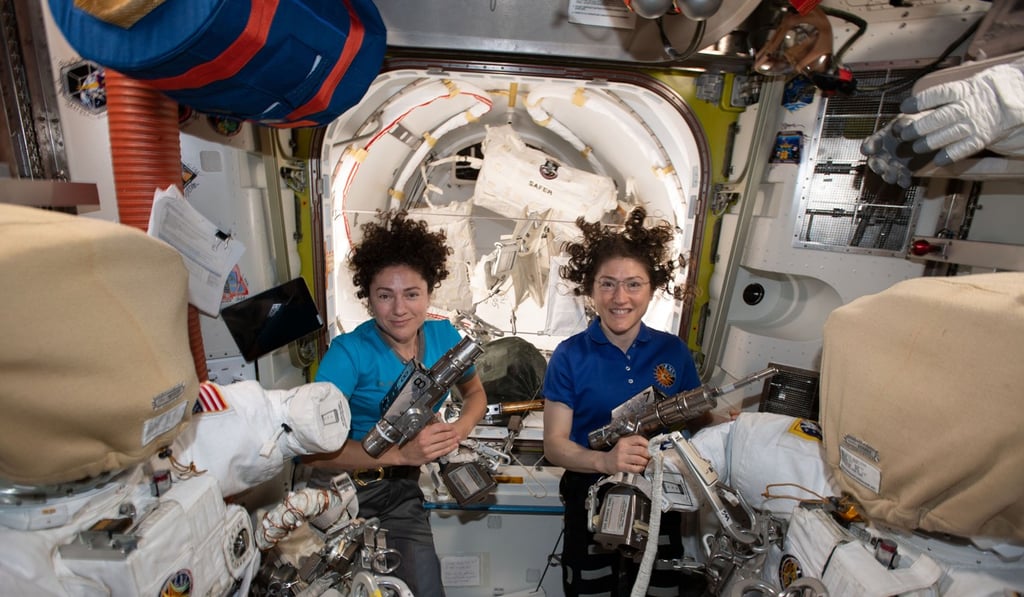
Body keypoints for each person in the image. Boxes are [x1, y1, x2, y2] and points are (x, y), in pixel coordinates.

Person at [303, 209, 487, 597]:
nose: (399, 309)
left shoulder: (443, 337)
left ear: (429, 294)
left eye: (412, 294)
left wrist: (456, 433)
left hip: (402, 495)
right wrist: (403, 455)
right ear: (368, 299)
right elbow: (312, 456)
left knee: (424, 588)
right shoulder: (348, 353)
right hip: (341, 493)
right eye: (384, 296)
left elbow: (475, 394)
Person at [542, 206, 704, 596]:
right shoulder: (570, 355)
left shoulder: (673, 351)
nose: (620, 298)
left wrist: (727, 420)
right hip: (590, 498)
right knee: (590, 589)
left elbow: (697, 417)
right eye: (608, 284)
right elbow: (555, 445)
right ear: (590, 288)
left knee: (660, 589)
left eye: (633, 284)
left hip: (661, 497)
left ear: (652, 288)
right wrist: (605, 461)